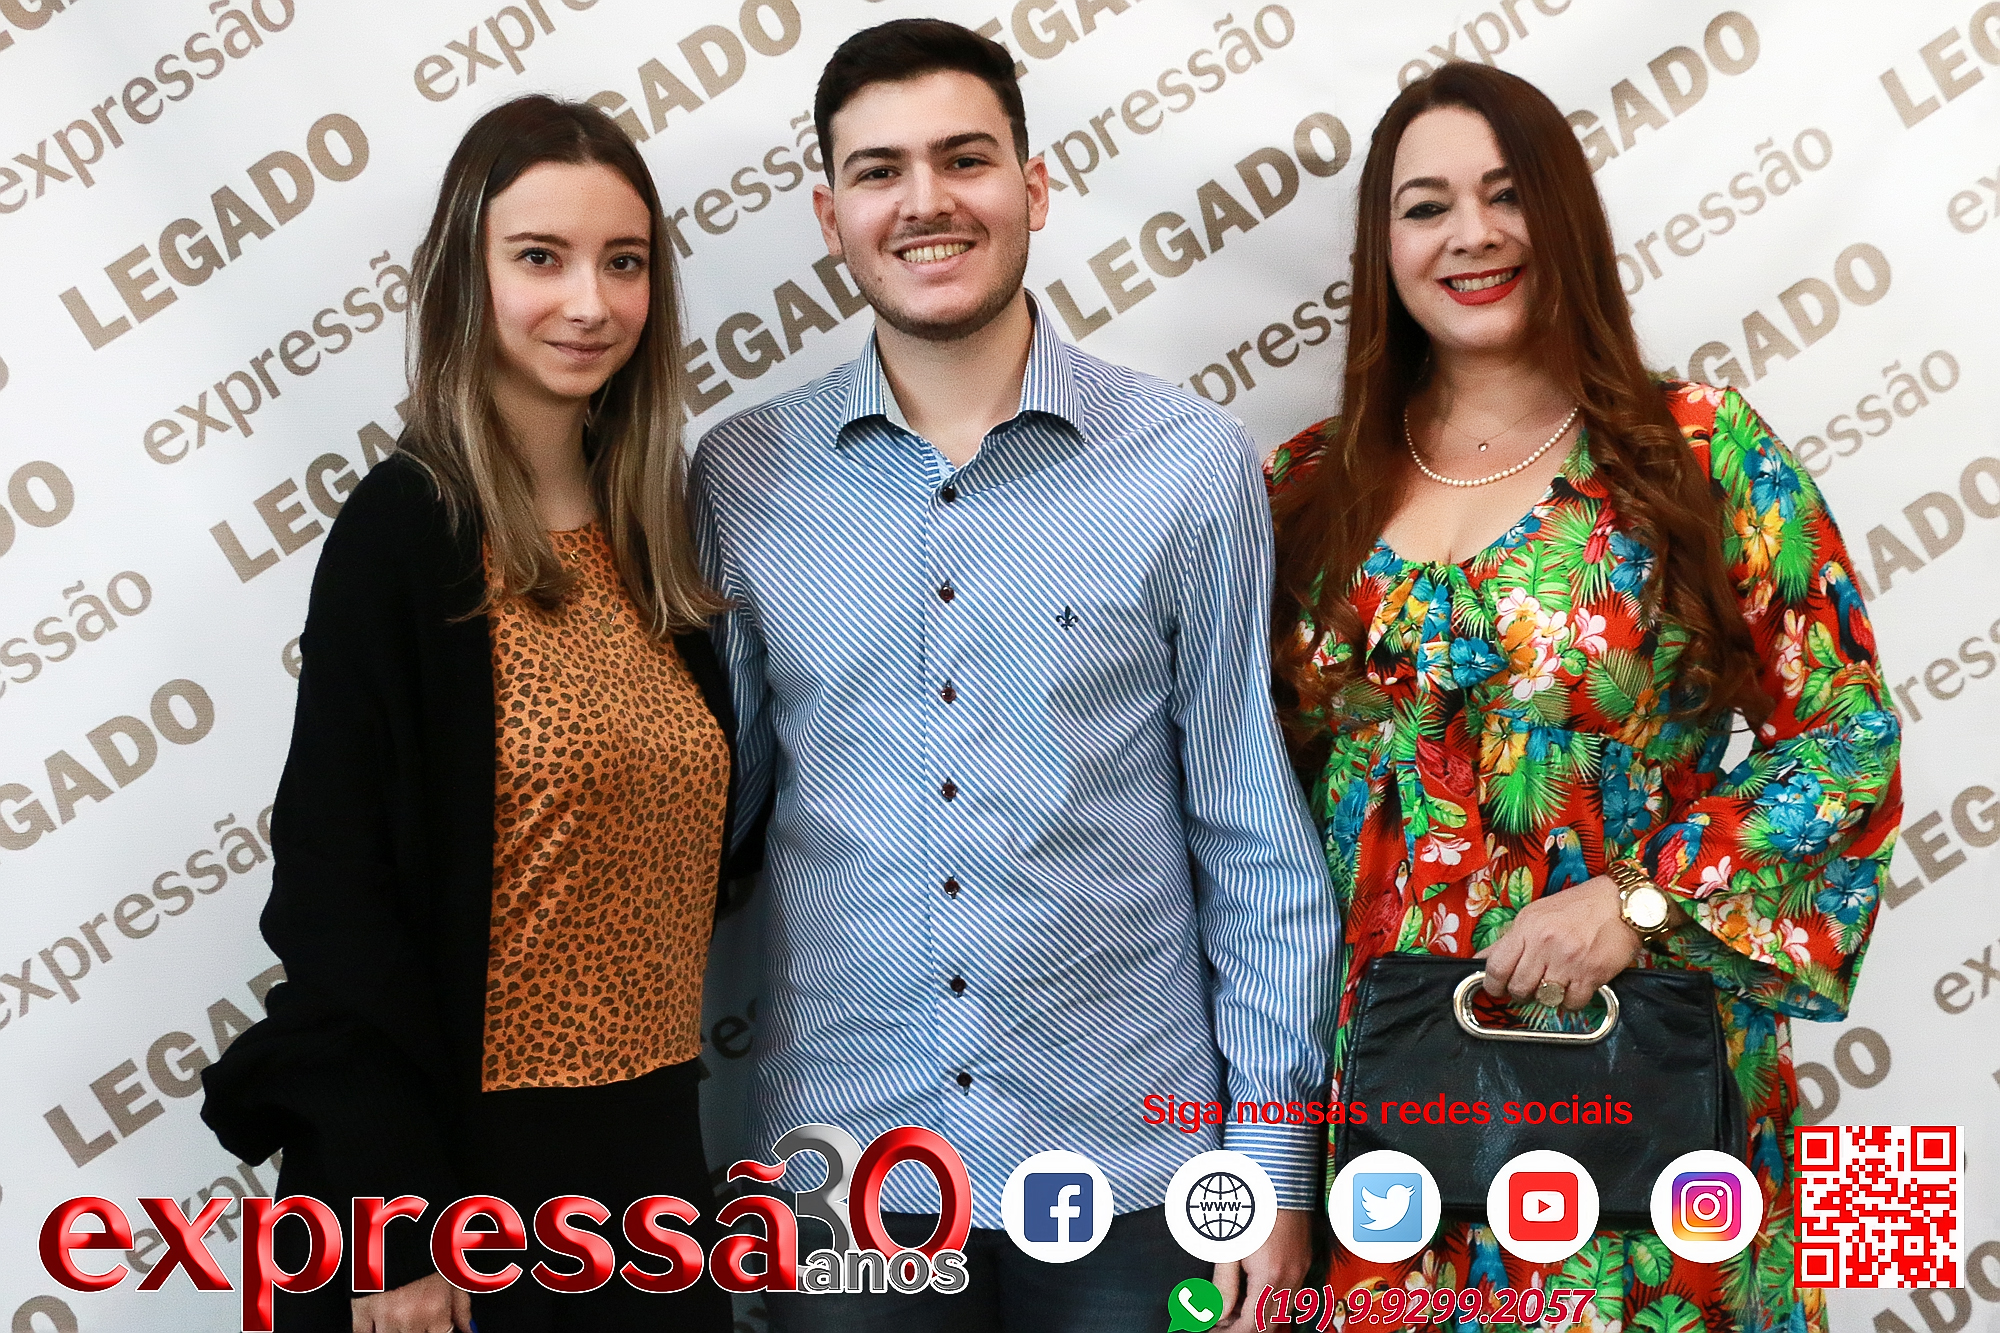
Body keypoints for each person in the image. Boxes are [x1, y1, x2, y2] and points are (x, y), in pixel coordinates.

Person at [688, 19, 1337, 1332]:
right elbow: (715, 819)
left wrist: (1271, 1166)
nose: (924, 200)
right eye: (879, 171)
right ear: (828, 214)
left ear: (1033, 188)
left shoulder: (1187, 463)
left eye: (964, 159)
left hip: (1136, 1166)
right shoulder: (743, 478)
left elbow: (1251, 839)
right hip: (846, 1171)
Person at [1265, 63, 1901, 1333]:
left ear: (1564, 216)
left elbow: (1846, 739)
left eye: (1505, 195)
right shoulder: (1306, 486)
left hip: (1638, 1090)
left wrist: (1638, 897)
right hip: (1385, 1111)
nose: (1470, 234)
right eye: (1424, 207)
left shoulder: (1696, 450)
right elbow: (1248, 813)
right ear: (1380, 250)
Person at [200, 95, 743, 1333]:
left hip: (647, 1166)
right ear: (466, 275)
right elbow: (337, 895)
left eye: (623, 262)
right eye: (540, 257)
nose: (589, 302)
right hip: (451, 1187)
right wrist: (395, 1227)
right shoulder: (406, 530)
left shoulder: (652, 531)